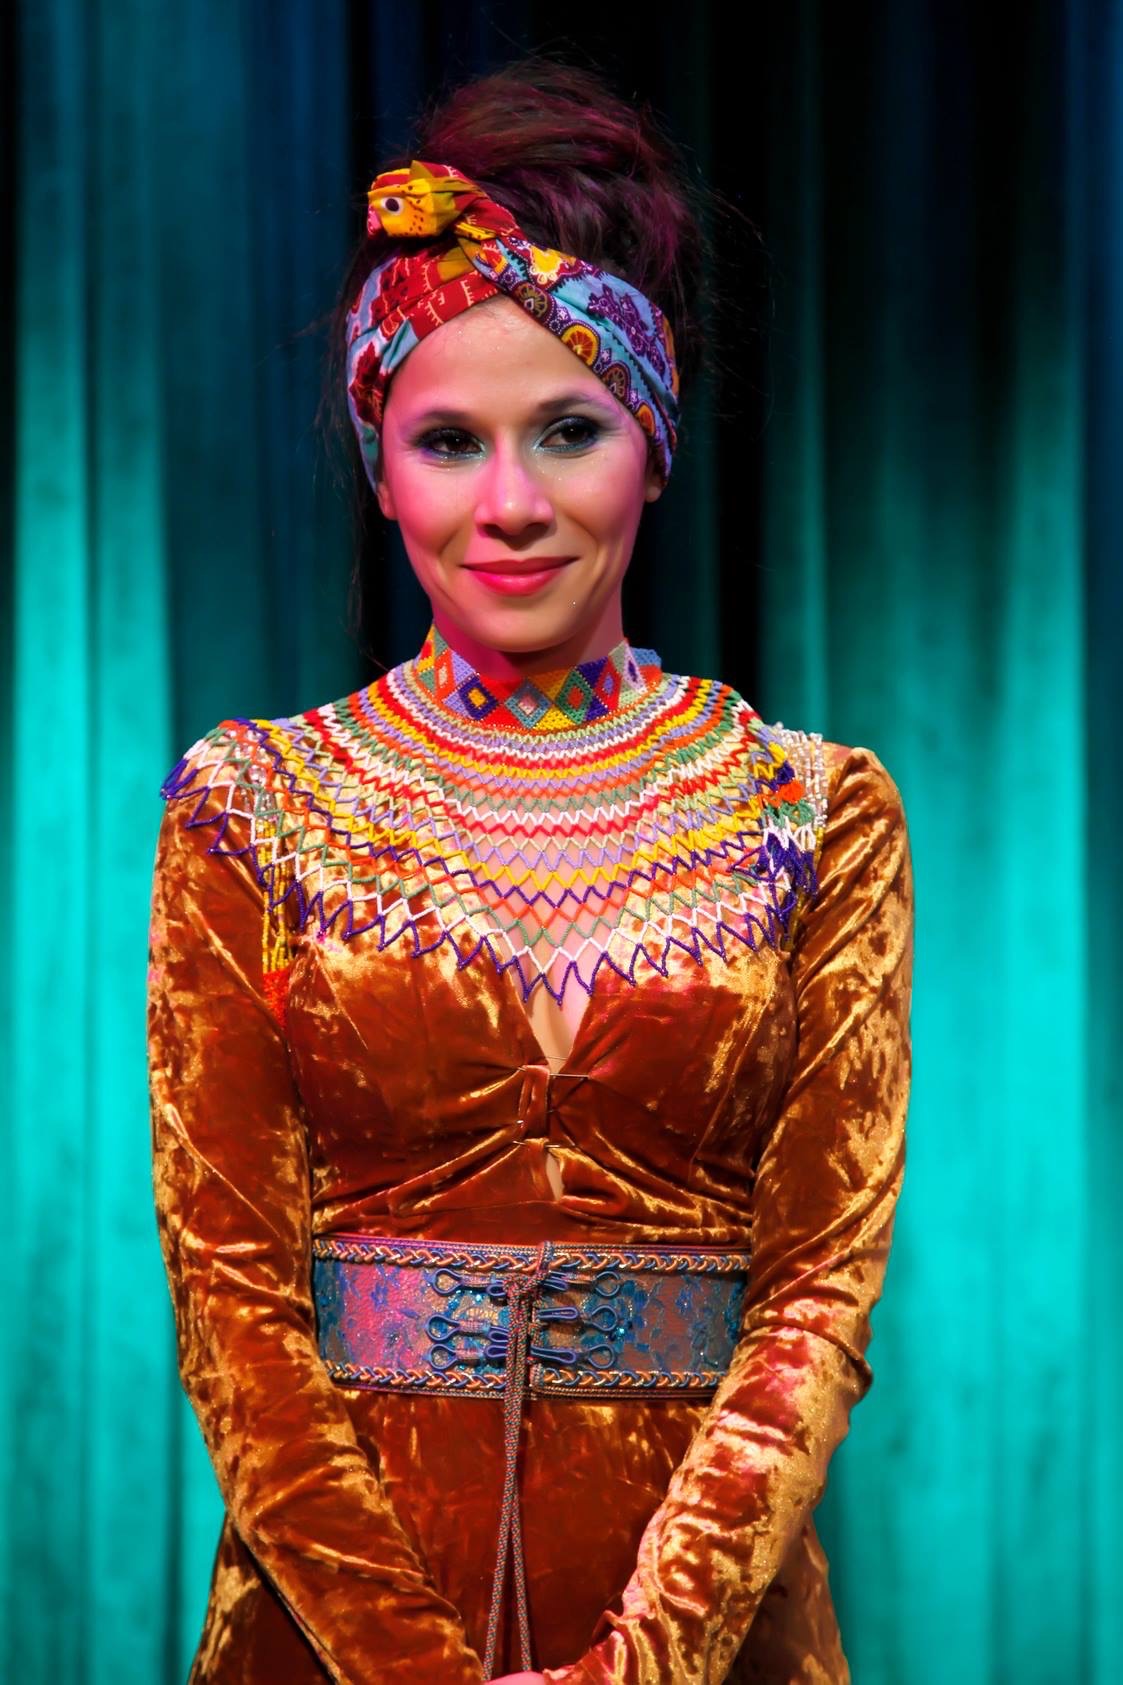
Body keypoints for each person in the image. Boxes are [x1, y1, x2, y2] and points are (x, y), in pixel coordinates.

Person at [147, 56, 914, 1685]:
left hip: (708, 1641)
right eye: (448, 440)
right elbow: (235, 1312)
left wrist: (643, 1665)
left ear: (655, 441)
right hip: (336, 1633)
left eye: (569, 430)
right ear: (381, 466)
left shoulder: (816, 812)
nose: (510, 504)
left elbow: (814, 1301)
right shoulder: (249, 806)